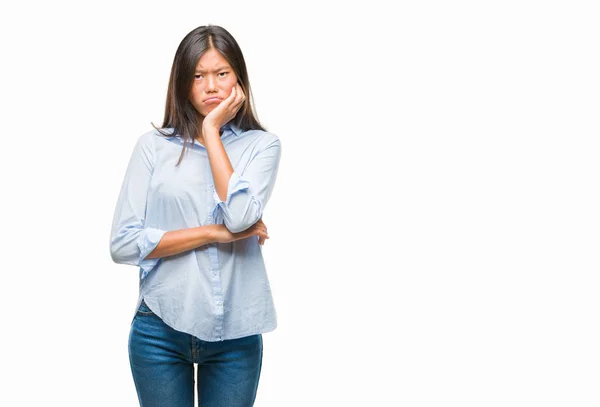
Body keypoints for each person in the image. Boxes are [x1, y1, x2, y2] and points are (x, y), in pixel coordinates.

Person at [109, 24, 282, 407]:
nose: (211, 87)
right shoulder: (153, 147)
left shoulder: (262, 146)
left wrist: (211, 131)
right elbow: (122, 244)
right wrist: (211, 234)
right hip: (160, 331)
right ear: (183, 84)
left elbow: (238, 218)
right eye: (198, 76)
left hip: (236, 334)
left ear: (239, 78)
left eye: (221, 74)